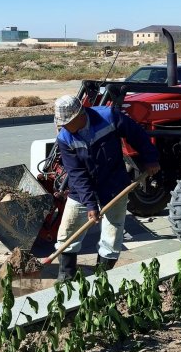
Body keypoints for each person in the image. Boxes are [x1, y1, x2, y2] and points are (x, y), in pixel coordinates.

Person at [54, 95, 160, 281]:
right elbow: (77, 173)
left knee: (112, 235)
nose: (64, 127)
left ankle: (101, 280)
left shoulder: (109, 117)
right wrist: (90, 205)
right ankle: (66, 278)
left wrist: (150, 159)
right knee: (67, 233)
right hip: (80, 191)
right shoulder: (65, 138)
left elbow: (137, 135)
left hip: (114, 185)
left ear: (80, 114)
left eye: (67, 122)